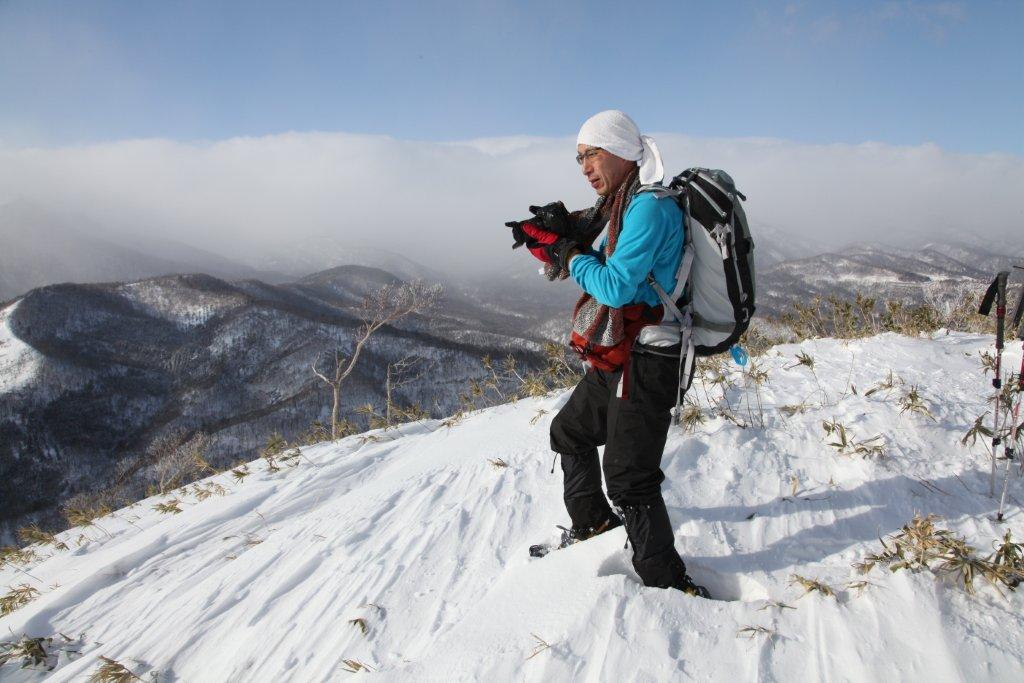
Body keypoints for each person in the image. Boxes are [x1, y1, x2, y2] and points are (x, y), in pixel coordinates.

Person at [507, 110, 708, 598]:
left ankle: (668, 584)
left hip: (650, 359)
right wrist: (570, 242)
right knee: (569, 431)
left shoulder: (648, 208)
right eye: (579, 159)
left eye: (591, 154)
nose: (584, 167)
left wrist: (570, 254)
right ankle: (593, 524)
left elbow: (616, 288)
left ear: (620, 150)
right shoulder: (624, 203)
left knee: (629, 479)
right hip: (624, 350)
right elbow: (622, 276)